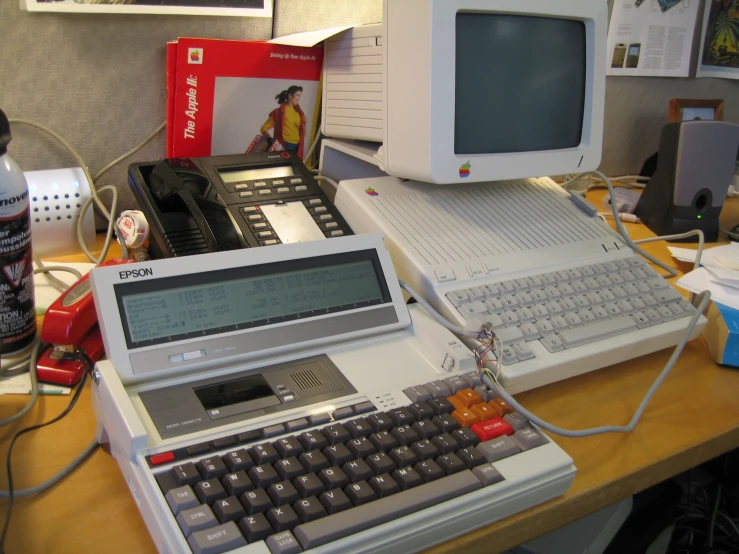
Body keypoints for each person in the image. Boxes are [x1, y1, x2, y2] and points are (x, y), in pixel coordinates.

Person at [260, 85, 307, 157]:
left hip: (297, 146)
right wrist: (272, 141)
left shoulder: (299, 113)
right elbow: (263, 128)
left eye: (300, 96)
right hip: (285, 144)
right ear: (290, 96)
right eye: (297, 95)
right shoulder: (278, 112)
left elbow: (303, 134)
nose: (299, 98)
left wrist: (305, 123)